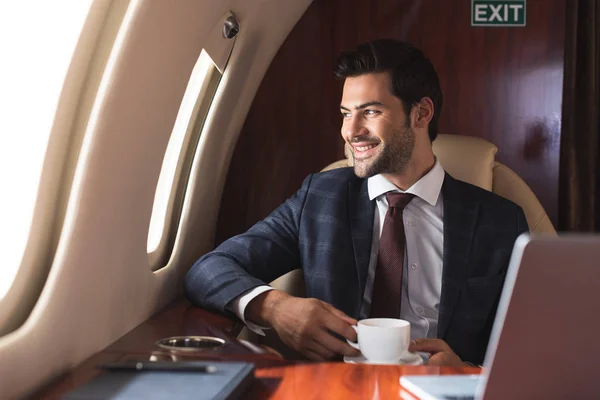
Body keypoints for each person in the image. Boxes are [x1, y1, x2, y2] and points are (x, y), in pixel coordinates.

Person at [185, 39, 528, 366]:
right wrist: (275, 307)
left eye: (370, 111)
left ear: (421, 113)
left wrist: (469, 370)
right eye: (346, 113)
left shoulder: (500, 222)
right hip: (339, 388)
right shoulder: (319, 199)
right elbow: (208, 270)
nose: (351, 131)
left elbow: (533, 346)